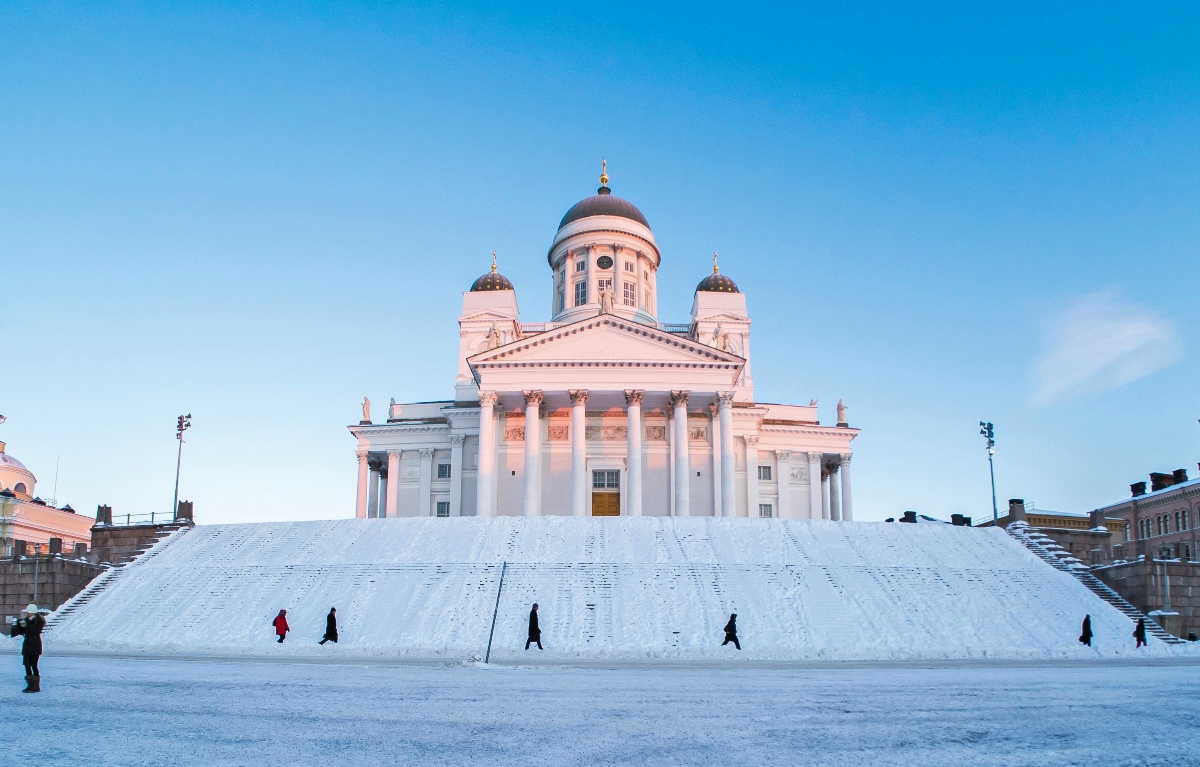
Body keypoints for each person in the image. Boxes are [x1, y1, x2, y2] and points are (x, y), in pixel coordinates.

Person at [10, 604, 45, 693]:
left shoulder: (39, 621)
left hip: (35, 645)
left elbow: (35, 632)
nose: (27, 615)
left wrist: (28, 623)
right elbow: (23, 632)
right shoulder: (27, 621)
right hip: (27, 645)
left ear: (32, 613)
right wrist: (18, 625)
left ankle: (36, 685)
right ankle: (30, 685)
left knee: (33, 665)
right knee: (26, 664)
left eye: (28, 613)